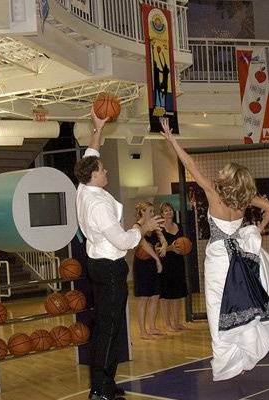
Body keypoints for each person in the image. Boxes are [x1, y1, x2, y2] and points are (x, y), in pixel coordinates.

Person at [159, 117, 269, 381]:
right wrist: (254, 230)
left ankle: (227, 361)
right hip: (240, 256)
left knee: (217, 307)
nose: (219, 173)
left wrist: (172, 139)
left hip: (219, 258)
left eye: (223, 172)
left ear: (228, 179)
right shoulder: (243, 199)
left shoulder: (214, 193)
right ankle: (245, 351)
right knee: (243, 302)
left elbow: (190, 164)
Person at [74, 107, 163, 400]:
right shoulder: (98, 205)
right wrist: (143, 225)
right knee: (109, 330)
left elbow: (89, 154)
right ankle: (100, 390)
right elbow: (124, 241)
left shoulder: (83, 188)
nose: (106, 170)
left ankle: (105, 384)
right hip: (110, 270)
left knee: (105, 326)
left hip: (98, 264)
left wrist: (98, 127)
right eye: (103, 169)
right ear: (94, 176)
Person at [133, 202, 167, 340]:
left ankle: (152, 327)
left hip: (153, 264)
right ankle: (142, 331)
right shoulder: (137, 227)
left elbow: (163, 239)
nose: (153, 214)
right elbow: (144, 245)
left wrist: (164, 246)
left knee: (155, 296)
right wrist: (157, 259)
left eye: (153, 211)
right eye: (150, 211)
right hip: (142, 264)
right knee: (143, 298)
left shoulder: (154, 226)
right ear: (142, 212)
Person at [158, 202, 189, 332]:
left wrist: (185, 248)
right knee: (166, 296)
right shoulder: (159, 229)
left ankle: (176, 323)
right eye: (166, 211)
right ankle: (167, 324)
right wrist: (170, 248)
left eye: (170, 210)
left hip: (178, 262)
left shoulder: (179, 226)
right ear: (162, 214)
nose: (169, 212)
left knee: (177, 294)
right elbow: (158, 249)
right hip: (165, 263)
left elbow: (185, 244)